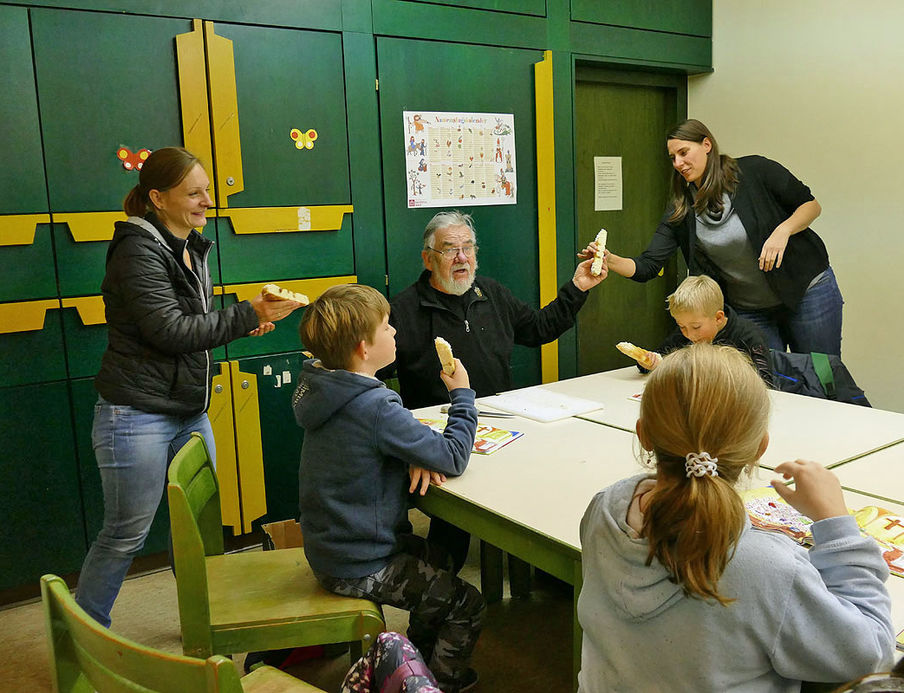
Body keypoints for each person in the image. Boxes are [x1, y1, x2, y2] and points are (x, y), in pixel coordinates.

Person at [577, 343, 893, 692]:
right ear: (760, 447)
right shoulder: (768, 569)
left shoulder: (605, 509)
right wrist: (837, 525)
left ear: (643, 435)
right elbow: (870, 653)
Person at [75, 147, 301, 627]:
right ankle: (82, 636)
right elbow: (169, 331)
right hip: (135, 413)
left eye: (206, 190)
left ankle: (204, 621)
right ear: (157, 197)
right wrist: (246, 315)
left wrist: (246, 321)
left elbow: (194, 324)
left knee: (196, 528)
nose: (206, 201)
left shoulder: (188, 243)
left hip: (188, 409)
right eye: (193, 193)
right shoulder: (136, 250)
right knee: (124, 534)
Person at [386, 209, 607, 572]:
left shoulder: (491, 293)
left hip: (503, 429)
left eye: (467, 248)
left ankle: (551, 572)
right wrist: (412, 442)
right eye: (449, 250)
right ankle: (440, 597)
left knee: (551, 483)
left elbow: (538, 329)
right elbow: (374, 382)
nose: (461, 258)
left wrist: (578, 286)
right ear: (428, 259)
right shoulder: (404, 311)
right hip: (440, 440)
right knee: (450, 537)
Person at [294, 284, 484, 693]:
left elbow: (371, 443)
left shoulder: (327, 388)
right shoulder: (376, 406)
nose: (395, 331)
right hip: (360, 560)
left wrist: (409, 452)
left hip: (332, 545)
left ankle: (414, 658)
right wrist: (462, 395)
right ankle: (444, 683)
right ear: (364, 348)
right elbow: (453, 457)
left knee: (442, 558)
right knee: (468, 604)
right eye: (386, 326)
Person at [580, 119, 843, 355]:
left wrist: (782, 230)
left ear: (706, 144)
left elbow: (810, 205)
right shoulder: (681, 209)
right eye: (672, 158)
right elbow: (648, 265)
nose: (678, 163)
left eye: (684, 153)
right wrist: (610, 260)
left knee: (823, 376)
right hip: (750, 310)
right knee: (768, 383)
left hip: (807, 289)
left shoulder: (754, 171)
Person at [637, 274, 773, 385]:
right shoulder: (687, 332)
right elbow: (661, 356)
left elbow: (765, 383)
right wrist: (649, 362)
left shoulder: (748, 336)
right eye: (682, 326)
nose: (689, 335)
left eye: (696, 327)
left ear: (718, 318)